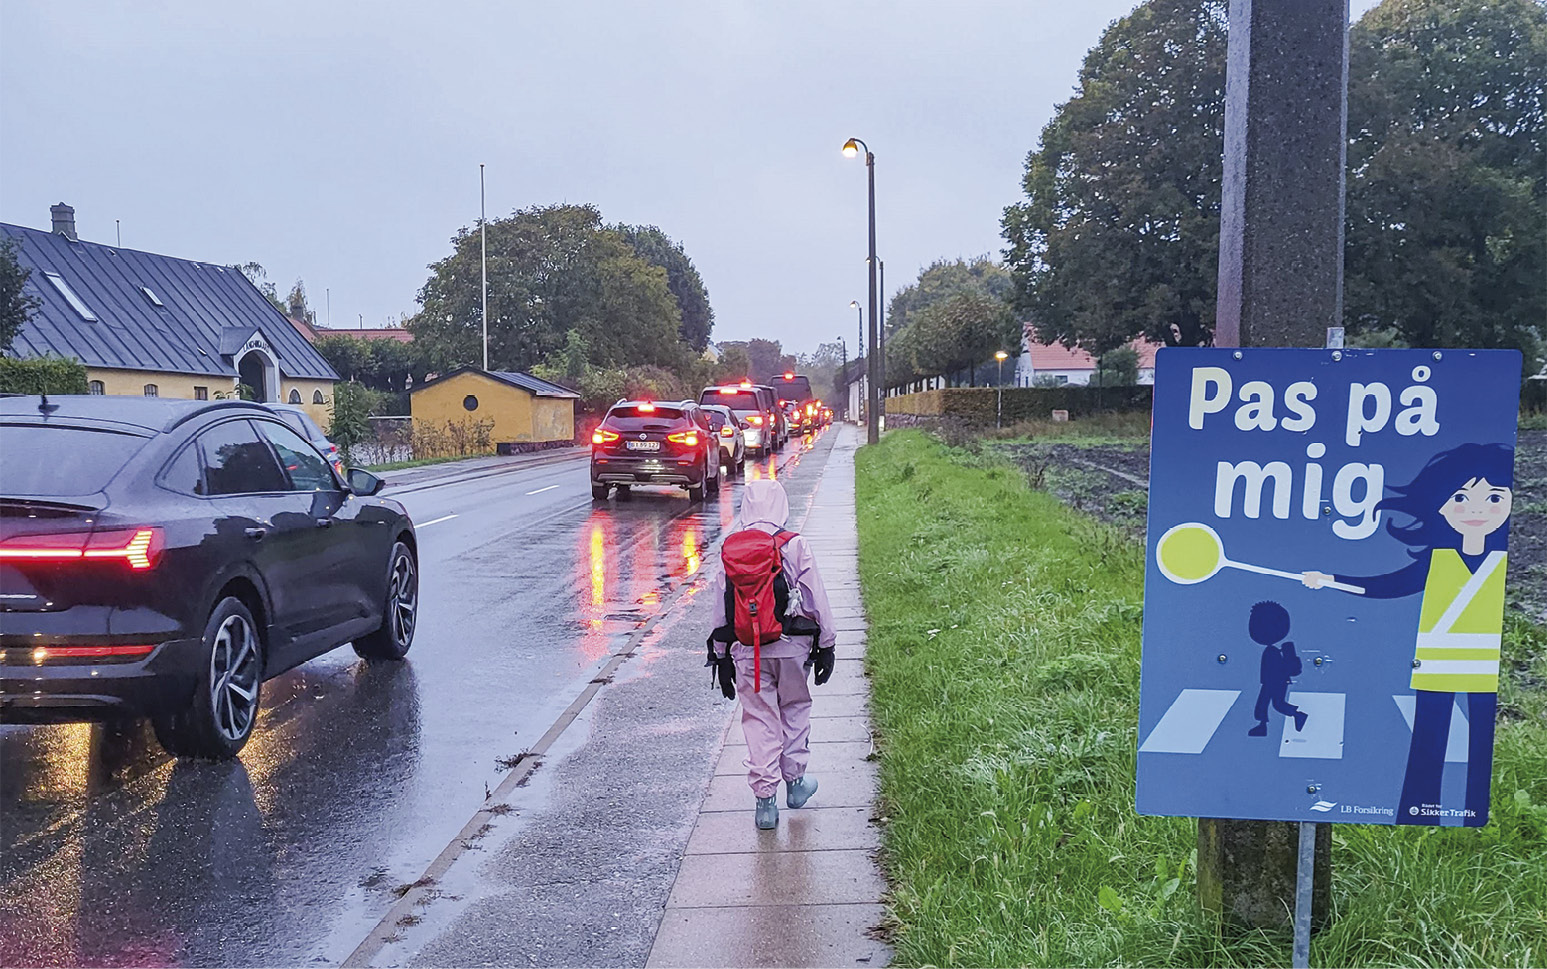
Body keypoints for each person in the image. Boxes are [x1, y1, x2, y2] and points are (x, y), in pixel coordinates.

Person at [1303, 443, 1513, 825]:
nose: (1479, 509)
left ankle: (1466, 813)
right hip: (1436, 671)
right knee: (1428, 746)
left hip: (1483, 675)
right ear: (1441, 505)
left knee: (1479, 749)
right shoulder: (1438, 558)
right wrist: (1330, 581)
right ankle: (1420, 809)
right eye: (1462, 498)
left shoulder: (1498, 560)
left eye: (1495, 497)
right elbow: (1388, 584)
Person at [708, 479, 838, 829]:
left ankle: (765, 804)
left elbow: (721, 610)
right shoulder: (796, 545)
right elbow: (816, 598)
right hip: (793, 647)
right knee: (795, 708)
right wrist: (827, 643)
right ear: (781, 505)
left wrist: (720, 655)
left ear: (746, 508)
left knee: (760, 720)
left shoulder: (731, 549)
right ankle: (796, 785)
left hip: (748, 650)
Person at [1247, 601, 1307, 737]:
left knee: (1274, 704)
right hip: (1273, 681)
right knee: (1271, 703)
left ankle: (1296, 715)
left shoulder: (1272, 652)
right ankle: (1264, 725)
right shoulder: (1271, 650)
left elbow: (1274, 669)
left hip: (1274, 682)